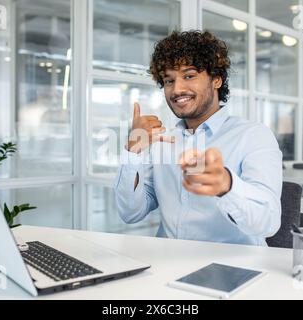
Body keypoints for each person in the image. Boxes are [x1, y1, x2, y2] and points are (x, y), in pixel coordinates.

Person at [114, 30, 282, 246]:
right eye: (168, 80)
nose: (177, 89)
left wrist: (227, 185)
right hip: (168, 265)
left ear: (216, 80)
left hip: (233, 268)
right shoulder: (162, 142)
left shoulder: (253, 136)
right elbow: (130, 213)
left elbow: (267, 222)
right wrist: (133, 151)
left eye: (189, 76)